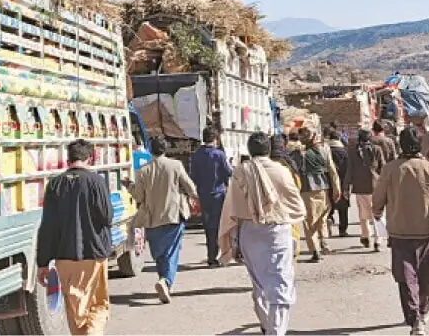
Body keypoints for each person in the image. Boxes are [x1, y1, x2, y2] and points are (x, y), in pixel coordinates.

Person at [219, 132, 307, 336]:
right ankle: (276, 331)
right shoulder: (281, 171)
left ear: (249, 151)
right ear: (268, 150)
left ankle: (268, 326)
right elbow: (298, 207)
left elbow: (232, 209)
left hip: (248, 233)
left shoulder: (241, 172)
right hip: (277, 231)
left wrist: (234, 240)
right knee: (280, 284)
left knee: (259, 283)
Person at [373, 126, 429, 336]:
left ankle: (415, 317)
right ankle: (421, 314)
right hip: (424, 234)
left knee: (406, 279)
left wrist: (377, 212)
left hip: (398, 234)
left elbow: (378, 197)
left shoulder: (389, 169)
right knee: (428, 278)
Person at [36, 139, 112, 335]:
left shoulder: (55, 184)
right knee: (96, 305)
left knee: (75, 310)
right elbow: (107, 216)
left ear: (68, 159)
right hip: (94, 255)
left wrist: (43, 263)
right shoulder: (96, 181)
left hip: (65, 257)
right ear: (90, 158)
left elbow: (48, 226)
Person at [129, 135, 199, 304]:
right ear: (165, 149)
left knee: (160, 255)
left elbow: (138, 196)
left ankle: (164, 280)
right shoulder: (175, 165)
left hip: (152, 219)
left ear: (150, 150)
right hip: (173, 216)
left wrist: (129, 186)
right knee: (171, 253)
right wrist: (193, 197)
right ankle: (166, 281)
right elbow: (190, 187)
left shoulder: (143, 170)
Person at [291, 127, 341, 262]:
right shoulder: (325, 150)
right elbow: (332, 171)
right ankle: (324, 242)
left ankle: (315, 251)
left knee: (309, 223)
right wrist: (337, 189)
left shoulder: (298, 154)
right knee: (322, 219)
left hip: (307, 191)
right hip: (323, 189)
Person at [189, 127, 233, 267]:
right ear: (215, 139)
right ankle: (221, 254)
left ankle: (211, 256)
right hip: (218, 195)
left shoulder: (196, 155)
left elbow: (193, 176)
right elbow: (228, 172)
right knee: (221, 226)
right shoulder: (219, 155)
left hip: (203, 194)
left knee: (208, 227)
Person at [345, 129, 385, 251]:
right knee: (377, 214)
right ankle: (378, 240)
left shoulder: (352, 151)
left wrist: (346, 188)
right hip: (375, 185)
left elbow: (349, 170)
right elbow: (382, 168)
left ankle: (365, 235)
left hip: (360, 187)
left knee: (363, 214)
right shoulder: (377, 149)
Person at [270, 134, 304, 263]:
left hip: (270, 210)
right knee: (292, 241)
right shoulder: (289, 163)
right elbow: (298, 185)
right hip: (288, 209)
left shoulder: (263, 164)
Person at [324, 128, 350, 237]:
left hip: (328, 181)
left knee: (329, 204)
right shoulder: (344, 152)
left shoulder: (326, 151)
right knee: (343, 207)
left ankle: (329, 219)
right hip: (342, 181)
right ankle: (342, 229)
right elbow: (348, 168)